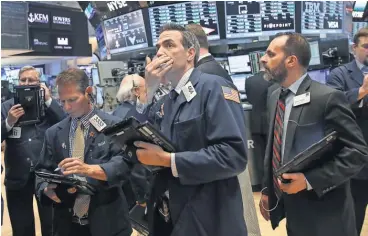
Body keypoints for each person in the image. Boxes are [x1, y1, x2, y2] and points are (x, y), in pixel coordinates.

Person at [134, 23, 248, 236]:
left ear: (190, 53)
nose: (159, 52)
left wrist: (169, 160)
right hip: (170, 216)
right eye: (158, 47)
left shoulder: (213, 87)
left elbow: (233, 156)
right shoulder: (165, 102)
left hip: (208, 217)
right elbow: (136, 135)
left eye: (169, 45)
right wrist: (149, 90)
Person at [259, 32, 368, 236]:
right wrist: (268, 190)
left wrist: (310, 180)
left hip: (327, 214)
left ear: (291, 60)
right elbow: (273, 145)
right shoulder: (274, 95)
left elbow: (358, 152)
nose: (263, 59)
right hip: (293, 209)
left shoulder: (327, 98)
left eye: (270, 54)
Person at [35, 68, 133, 236]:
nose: (66, 107)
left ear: (88, 92)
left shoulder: (114, 126)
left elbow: (125, 164)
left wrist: (88, 170)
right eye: (62, 101)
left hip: (108, 221)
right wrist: (45, 188)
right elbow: (42, 170)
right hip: (67, 223)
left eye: (72, 100)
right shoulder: (54, 132)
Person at [1, 66, 65, 236]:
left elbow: (66, 125)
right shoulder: (7, 107)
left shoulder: (48, 106)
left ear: (40, 83)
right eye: (23, 80)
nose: (27, 83)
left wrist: (50, 101)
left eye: (32, 80)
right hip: (17, 176)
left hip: (47, 176)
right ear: (18, 82)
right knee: (21, 228)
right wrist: (8, 122)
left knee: (52, 225)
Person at [327, 27, 368, 234]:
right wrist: (361, 92)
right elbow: (334, 107)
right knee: (354, 216)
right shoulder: (339, 74)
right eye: (366, 46)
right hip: (356, 159)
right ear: (354, 48)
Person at [113, 74, 151, 209]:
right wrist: (143, 196)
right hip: (137, 185)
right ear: (136, 91)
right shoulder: (136, 117)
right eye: (146, 89)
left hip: (122, 183)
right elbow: (137, 159)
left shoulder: (117, 112)